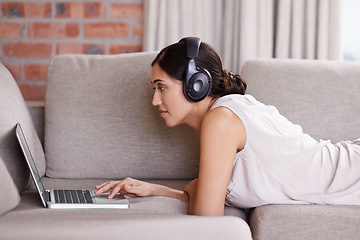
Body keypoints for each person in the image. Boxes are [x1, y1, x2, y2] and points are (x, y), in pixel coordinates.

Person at [95, 37, 360, 216]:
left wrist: (187, 191)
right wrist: (153, 190)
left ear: (195, 84)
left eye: (162, 88)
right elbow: (208, 197)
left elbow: (206, 215)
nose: (155, 100)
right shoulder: (224, 115)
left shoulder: (221, 121)